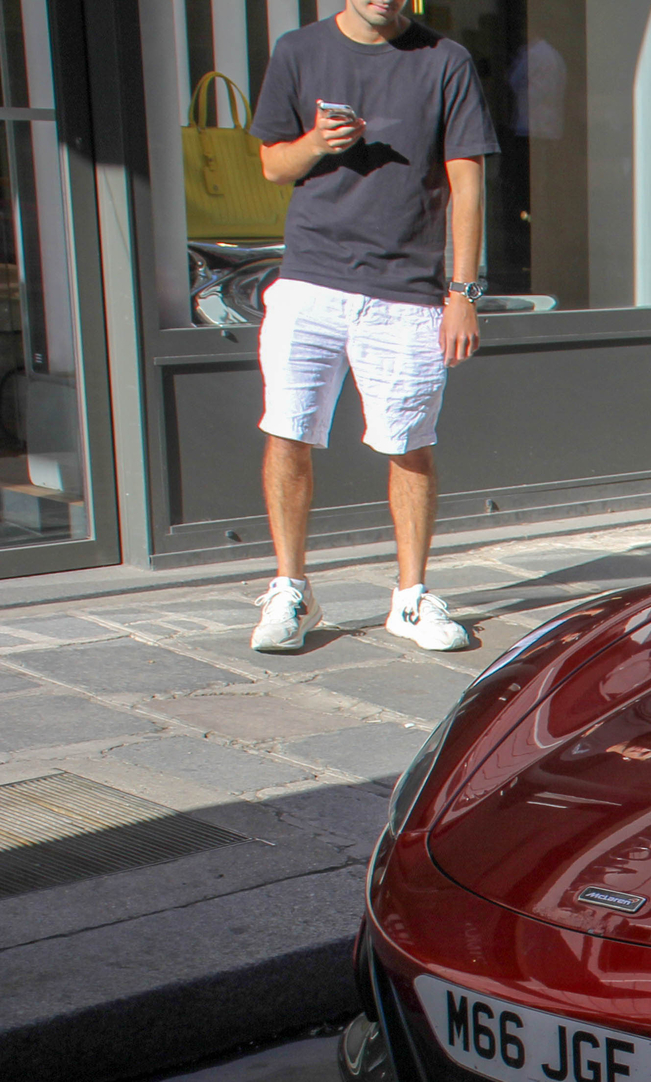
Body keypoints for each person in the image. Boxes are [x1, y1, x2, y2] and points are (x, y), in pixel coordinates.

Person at [245, 0, 499, 654]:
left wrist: (462, 292)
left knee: (409, 443)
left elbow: (466, 181)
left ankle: (411, 599)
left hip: (406, 290)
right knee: (288, 431)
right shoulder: (300, 51)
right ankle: (291, 590)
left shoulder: (445, 60)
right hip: (310, 279)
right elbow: (274, 165)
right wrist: (317, 144)